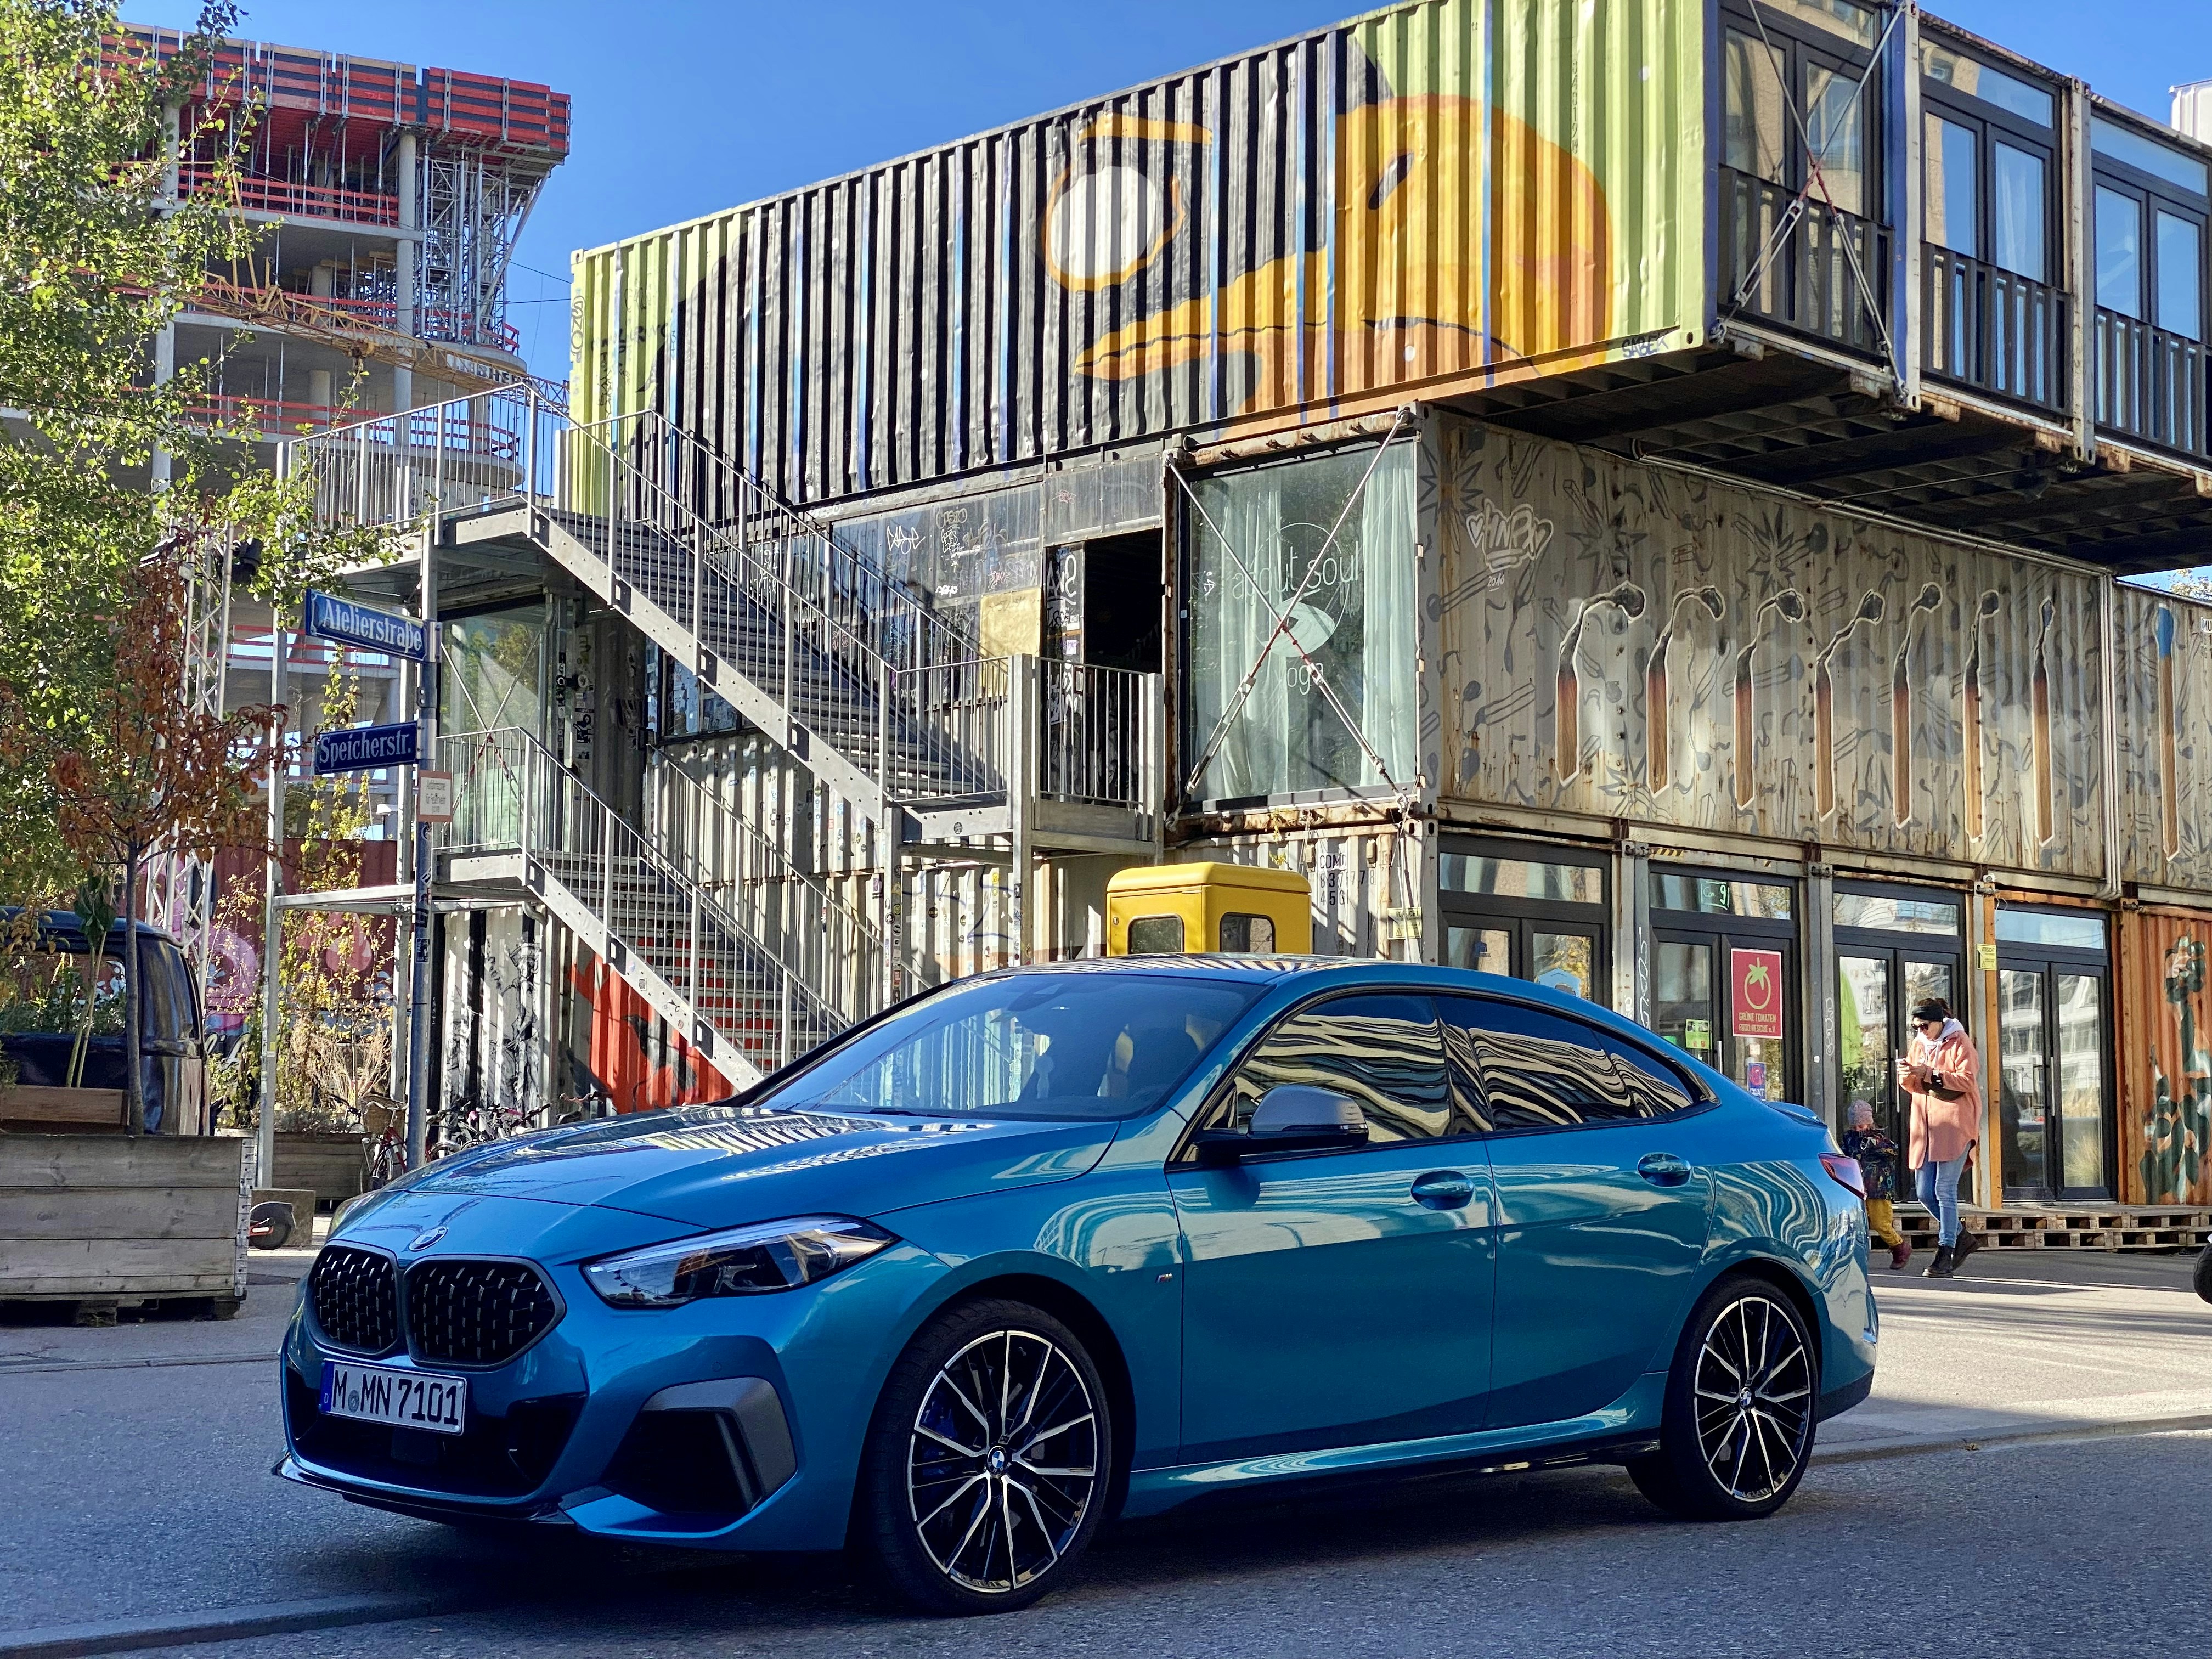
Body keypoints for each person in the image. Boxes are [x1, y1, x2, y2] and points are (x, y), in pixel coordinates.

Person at [1898, 997, 1982, 1279]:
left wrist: (1930, 1073)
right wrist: (1906, 1075)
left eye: (1924, 1025)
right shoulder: (1919, 1044)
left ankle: (1946, 1251)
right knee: (1924, 1192)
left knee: (1944, 1190)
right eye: (1916, 1027)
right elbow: (1914, 1086)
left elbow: (1967, 1080)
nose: (1920, 1031)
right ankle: (1961, 1236)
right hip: (1925, 1126)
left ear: (1939, 1022)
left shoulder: (1959, 1041)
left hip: (1954, 1125)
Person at [1842, 1100, 1909, 1271]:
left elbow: (1893, 1151)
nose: (1858, 1129)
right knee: (1856, 1223)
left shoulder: (1879, 1138)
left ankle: (1899, 1247)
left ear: (1869, 1122)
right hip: (1857, 1187)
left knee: (1881, 1223)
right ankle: (1854, 1256)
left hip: (1879, 1189)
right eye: (1855, 1126)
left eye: (1861, 1125)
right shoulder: (1849, 1138)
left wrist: (1874, 1145)